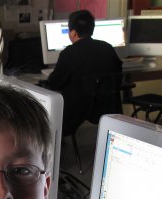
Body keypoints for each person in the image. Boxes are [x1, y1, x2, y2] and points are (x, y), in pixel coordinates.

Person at [47, 9, 123, 137]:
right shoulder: (107, 48)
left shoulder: (69, 53)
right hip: (106, 108)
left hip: (76, 114)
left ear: (73, 33)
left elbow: (55, 84)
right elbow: (118, 76)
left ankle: (57, 142)